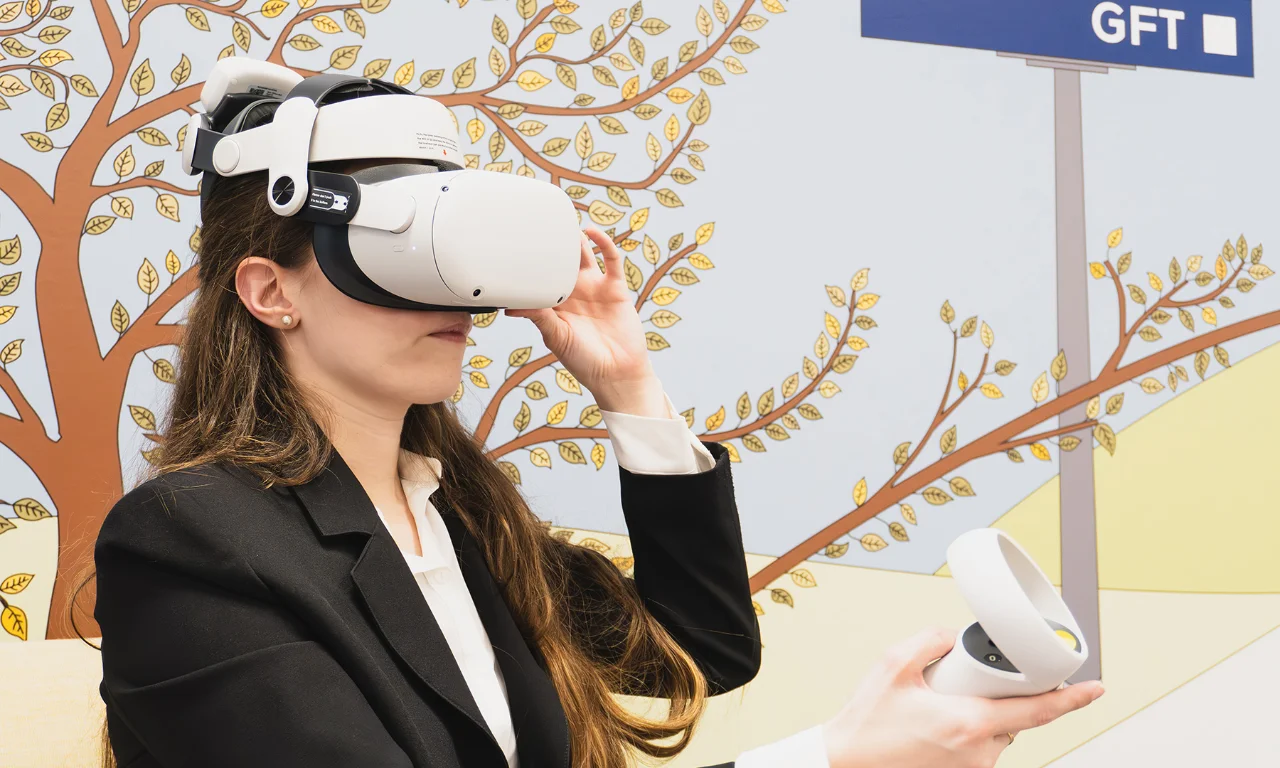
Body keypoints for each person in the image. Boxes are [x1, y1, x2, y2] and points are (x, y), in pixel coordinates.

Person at [92, 96, 1102, 768]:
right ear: (271, 291)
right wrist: (833, 756)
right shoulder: (192, 539)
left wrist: (624, 380)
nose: (451, 296)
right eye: (394, 249)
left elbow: (697, 649)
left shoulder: (455, 521)